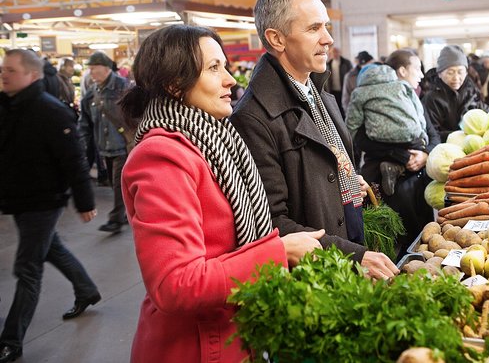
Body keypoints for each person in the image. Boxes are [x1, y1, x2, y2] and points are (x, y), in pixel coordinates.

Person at [119, 24, 323, 363]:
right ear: (174, 84)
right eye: (214, 68)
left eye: (225, 67)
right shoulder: (161, 158)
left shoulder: (216, 139)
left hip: (232, 335)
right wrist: (278, 252)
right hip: (194, 347)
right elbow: (174, 283)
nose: (231, 80)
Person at [230, 0, 399, 280]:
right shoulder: (254, 118)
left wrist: (345, 182)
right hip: (315, 277)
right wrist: (353, 257)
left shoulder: (316, 91)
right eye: (314, 29)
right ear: (276, 39)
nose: (328, 39)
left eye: (327, 27)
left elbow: (316, 171)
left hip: (344, 259)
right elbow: (271, 221)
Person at [0, 49, 100, 363]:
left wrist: (85, 201)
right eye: (3, 69)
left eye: (11, 70)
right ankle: (86, 290)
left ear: (31, 75)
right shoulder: (7, 105)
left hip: (44, 200)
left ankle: (11, 342)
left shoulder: (51, 111)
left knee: (27, 268)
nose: (4, 74)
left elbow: (75, 161)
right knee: (51, 247)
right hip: (18, 197)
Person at [353, 49, 441, 256]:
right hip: (385, 182)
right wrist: (400, 155)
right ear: (402, 71)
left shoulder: (415, 99)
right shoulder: (372, 98)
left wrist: (425, 155)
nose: (421, 74)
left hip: (419, 181)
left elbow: (432, 135)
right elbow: (360, 138)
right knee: (395, 242)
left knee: (425, 240)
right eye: (417, 68)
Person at [345, 53, 427, 196]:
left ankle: (394, 167)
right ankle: (398, 167)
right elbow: (418, 112)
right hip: (410, 136)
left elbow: (352, 124)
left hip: (378, 137)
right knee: (415, 141)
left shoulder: (360, 92)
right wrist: (422, 135)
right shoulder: (402, 85)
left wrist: (351, 141)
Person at [79, 51, 130, 234]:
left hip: (123, 145)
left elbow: (137, 115)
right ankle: (126, 213)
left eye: (93, 68)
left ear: (106, 68)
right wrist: (82, 140)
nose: (90, 72)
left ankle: (115, 219)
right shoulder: (93, 91)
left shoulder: (123, 87)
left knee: (118, 184)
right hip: (104, 147)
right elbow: (84, 121)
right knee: (113, 183)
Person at [422, 45, 489, 142]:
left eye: (460, 72)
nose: (456, 78)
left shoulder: (472, 91)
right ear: (440, 73)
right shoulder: (431, 98)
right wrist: (464, 134)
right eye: (450, 72)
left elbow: (486, 114)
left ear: (466, 73)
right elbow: (432, 133)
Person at [324, 46, 352, 116]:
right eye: (332, 52)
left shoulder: (346, 63)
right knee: (335, 109)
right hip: (332, 91)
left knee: (344, 108)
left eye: (336, 52)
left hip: (344, 90)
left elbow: (351, 76)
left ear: (340, 53)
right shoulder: (328, 64)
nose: (334, 54)